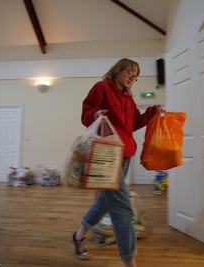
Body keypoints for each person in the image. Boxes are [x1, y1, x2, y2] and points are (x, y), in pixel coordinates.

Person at [71, 58, 164, 267]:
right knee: (123, 208)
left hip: (126, 155)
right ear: (118, 70)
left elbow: (134, 123)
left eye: (136, 75)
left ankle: (78, 236)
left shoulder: (128, 98)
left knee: (104, 202)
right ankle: (130, 262)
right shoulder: (102, 88)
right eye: (130, 71)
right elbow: (86, 114)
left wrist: (151, 112)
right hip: (106, 155)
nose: (133, 76)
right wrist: (95, 113)